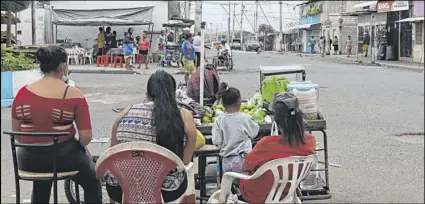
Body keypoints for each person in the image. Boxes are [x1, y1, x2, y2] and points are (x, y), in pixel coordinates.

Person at [11, 46, 102, 203]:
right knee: (93, 181)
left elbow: (17, 134)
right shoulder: (73, 94)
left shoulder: (22, 93)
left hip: (28, 160)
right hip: (63, 158)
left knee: (41, 181)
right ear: (62, 66)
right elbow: (86, 137)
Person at [106, 70, 197, 203]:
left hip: (119, 189)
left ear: (147, 93)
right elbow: (185, 162)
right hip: (166, 192)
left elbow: (113, 152)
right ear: (173, 93)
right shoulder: (183, 116)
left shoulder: (125, 112)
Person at [238, 92, 317, 203]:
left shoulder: (265, 144)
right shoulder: (310, 141)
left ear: (277, 122)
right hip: (286, 193)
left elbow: (245, 168)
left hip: (257, 196)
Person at [212, 82, 260, 175]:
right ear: (239, 102)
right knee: (243, 184)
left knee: (230, 184)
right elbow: (255, 132)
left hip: (226, 162)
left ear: (223, 104)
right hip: (243, 160)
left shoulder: (219, 120)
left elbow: (216, 141)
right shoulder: (245, 118)